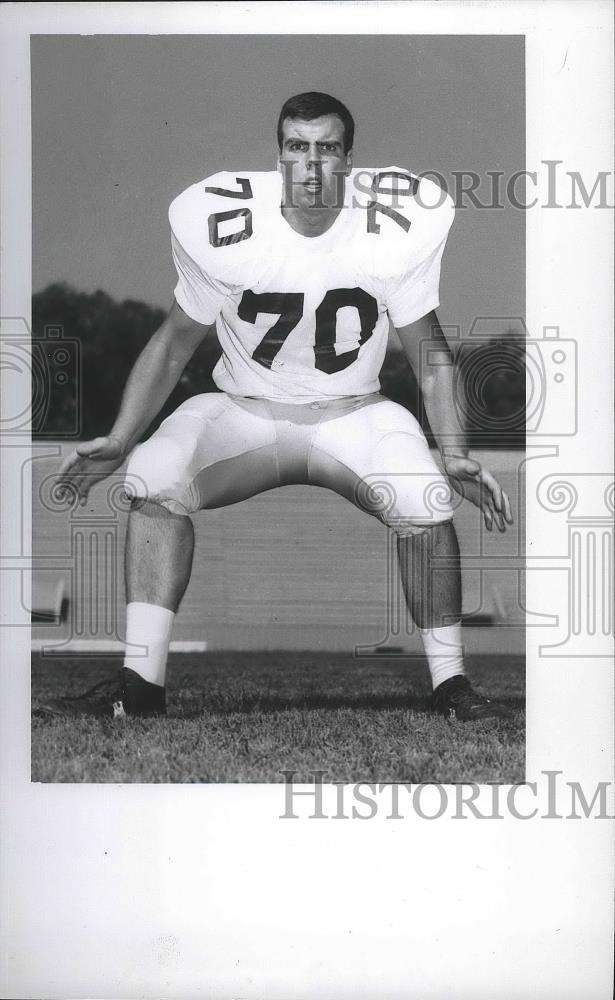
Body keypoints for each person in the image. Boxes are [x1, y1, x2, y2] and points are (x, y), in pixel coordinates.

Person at [40, 91, 513, 723]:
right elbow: (175, 341)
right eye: (297, 146)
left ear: (350, 159)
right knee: (153, 474)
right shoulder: (226, 224)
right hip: (245, 411)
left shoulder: (391, 229)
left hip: (355, 414)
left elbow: (430, 355)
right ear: (278, 155)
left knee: (425, 495)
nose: (311, 165)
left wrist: (453, 453)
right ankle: (140, 684)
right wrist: (123, 437)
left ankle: (453, 688)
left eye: (327, 148)